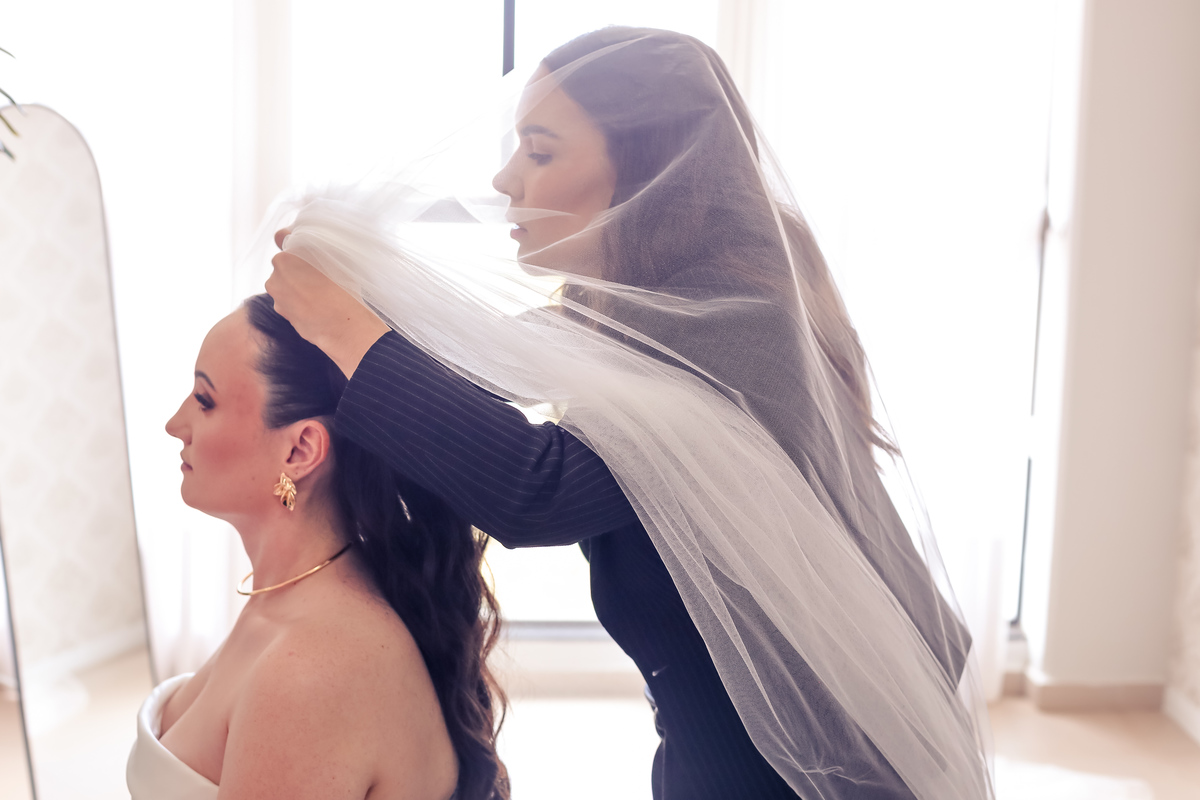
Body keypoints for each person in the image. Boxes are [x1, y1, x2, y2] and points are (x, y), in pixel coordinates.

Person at [267, 26, 992, 800]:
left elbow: (537, 489)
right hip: (723, 755)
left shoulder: (735, 320)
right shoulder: (632, 312)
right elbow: (486, 363)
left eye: (540, 151)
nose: (506, 178)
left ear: (647, 168)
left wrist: (343, 323)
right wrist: (357, 298)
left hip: (804, 773)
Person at [125, 295, 509, 800]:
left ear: (300, 449)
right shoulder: (288, 596)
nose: (175, 424)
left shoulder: (310, 668)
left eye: (204, 399)